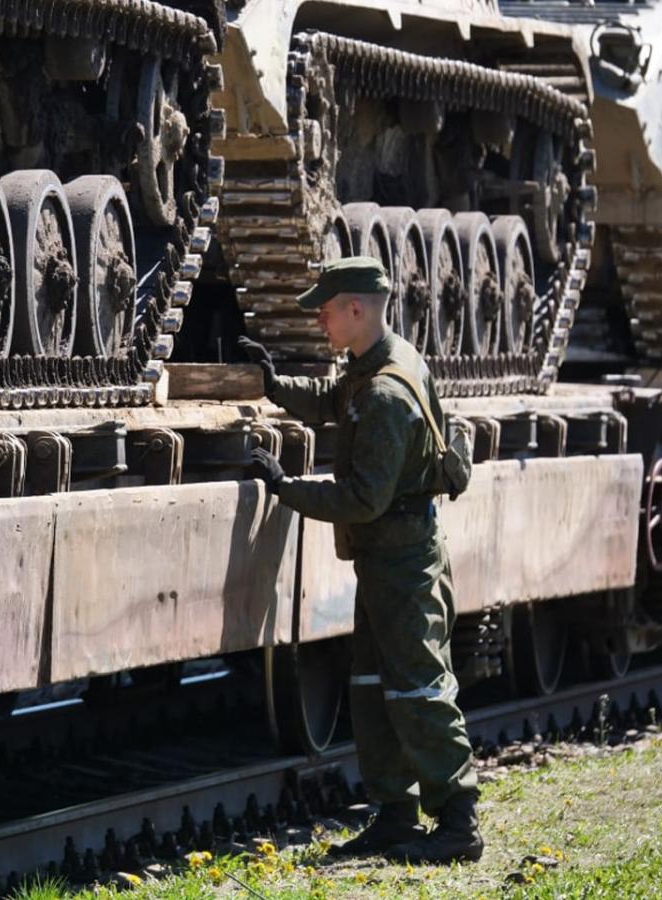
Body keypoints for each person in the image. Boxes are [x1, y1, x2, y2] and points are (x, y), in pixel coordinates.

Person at [238, 256, 482, 865]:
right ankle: (397, 817)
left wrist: (285, 487)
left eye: (325, 307)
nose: (318, 317)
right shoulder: (380, 362)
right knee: (373, 687)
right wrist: (275, 385)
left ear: (356, 308)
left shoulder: (384, 394)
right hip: (384, 559)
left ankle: (458, 823)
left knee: (420, 689)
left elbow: (361, 500)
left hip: (402, 560)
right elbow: (333, 401)